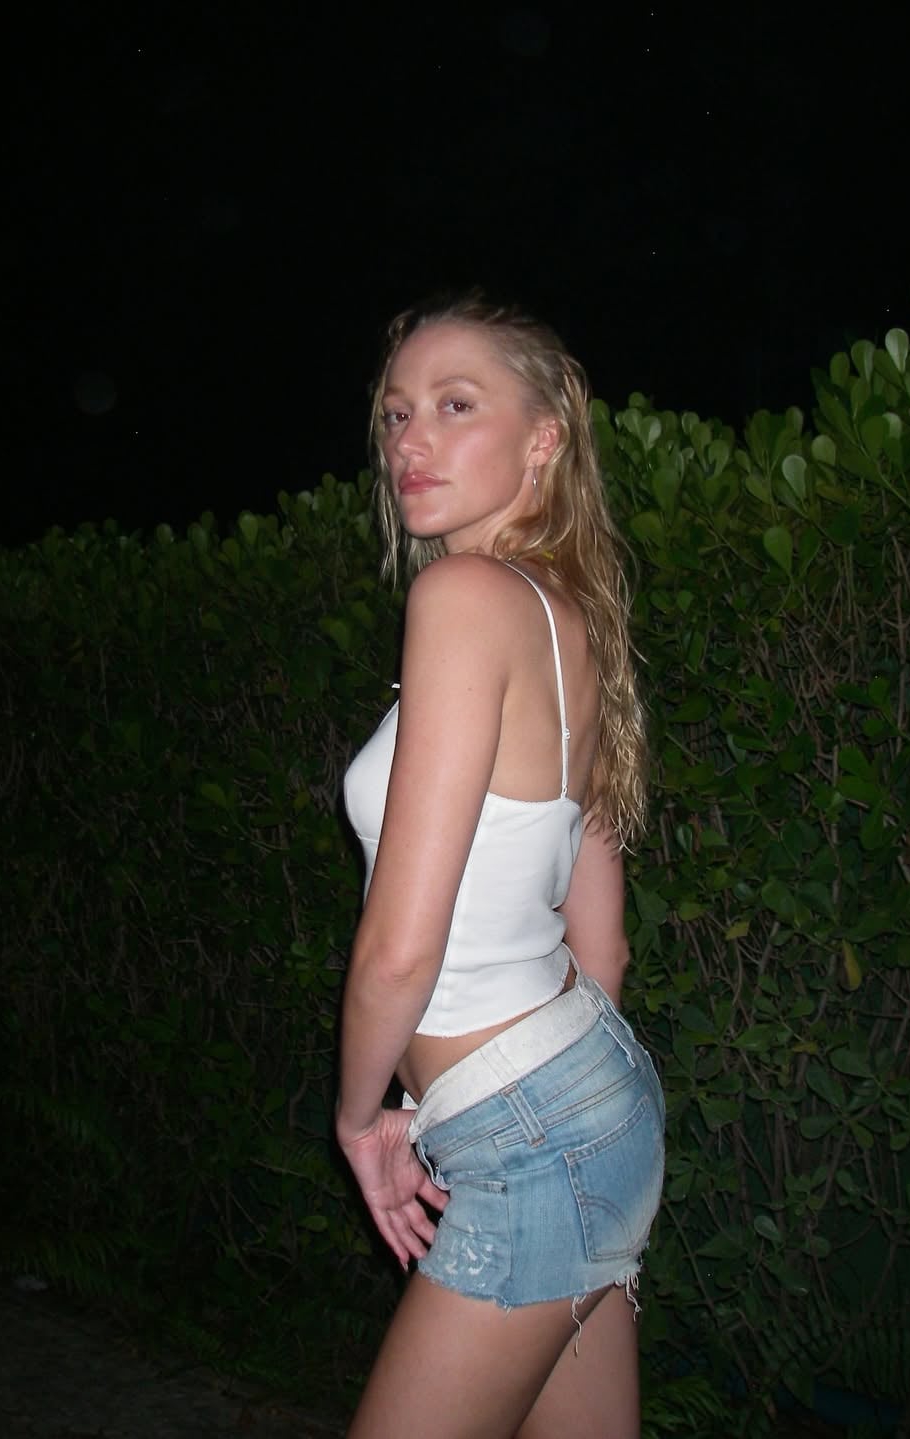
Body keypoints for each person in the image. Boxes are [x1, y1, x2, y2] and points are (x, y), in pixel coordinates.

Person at [337, 292, 664, 1439]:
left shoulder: (463, 598)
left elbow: (401, 947)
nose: (410, 440)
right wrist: (522, 1102)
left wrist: (363, 1115)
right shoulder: (570, 618)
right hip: (589, 1097)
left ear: (543, 437)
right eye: (395, 413)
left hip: (532, 1132)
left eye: (455, 405)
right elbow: (603, 948)